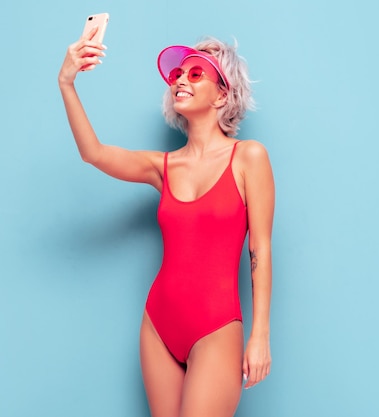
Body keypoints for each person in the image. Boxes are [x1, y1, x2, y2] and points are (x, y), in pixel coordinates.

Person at [58, 26, 275, 417]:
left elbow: (260, 247)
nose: (180, 80)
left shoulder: (249, 158)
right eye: (177, 75)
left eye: (196, 74)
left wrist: (260, 334)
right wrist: (67, 83)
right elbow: (94, 153)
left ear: (222, 94)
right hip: (158, 324)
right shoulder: (162, 166)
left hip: (216, 327)